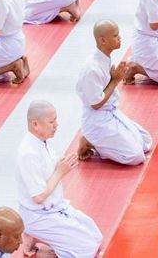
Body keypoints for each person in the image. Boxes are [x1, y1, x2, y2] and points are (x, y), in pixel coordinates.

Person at [15, 100, 103, 257]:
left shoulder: (42, 142)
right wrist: (61, 171)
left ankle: (41, 237)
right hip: (38, 215)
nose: (56, 125)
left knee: (95, 236)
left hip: (54, 208)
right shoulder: (28, 153)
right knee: (87, 250)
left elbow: (50, 170)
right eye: (51, 122)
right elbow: (38, 197)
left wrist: (62, 164)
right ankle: (37, 238)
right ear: (35, 124)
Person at [77, 20, 152, 165]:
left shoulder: (104, 58)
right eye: (115, 35)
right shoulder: (91, 69)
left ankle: (99, 141)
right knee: (135, 156)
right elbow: (96, 104)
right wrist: (115, 80)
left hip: (109, 113)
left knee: (145, 141)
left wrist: (113, 78)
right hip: (96, 120)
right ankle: (90, 141)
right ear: (103, 40)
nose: (120, 38)